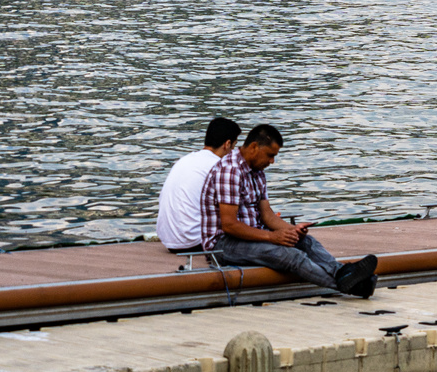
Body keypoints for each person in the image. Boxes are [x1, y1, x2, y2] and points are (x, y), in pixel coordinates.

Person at [200, 124, 379, 297]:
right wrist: (272, 237)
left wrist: (291, 231)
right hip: (224, 245)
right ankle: (350, 287)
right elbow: (230, 225)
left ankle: (344, 273)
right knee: (291, 256)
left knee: (307, 242)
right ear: (254, 147)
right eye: (270, 155)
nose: (272, 161)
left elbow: (267, 215)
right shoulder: (230, 171)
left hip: (251, 237)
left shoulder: (257, 172)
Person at [156, 117, 240, 251]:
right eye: (234, 146)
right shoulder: (218, 166)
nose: (233, 152)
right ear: (227, 144)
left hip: (169, 240)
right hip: (194, 241)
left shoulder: (185, 160)